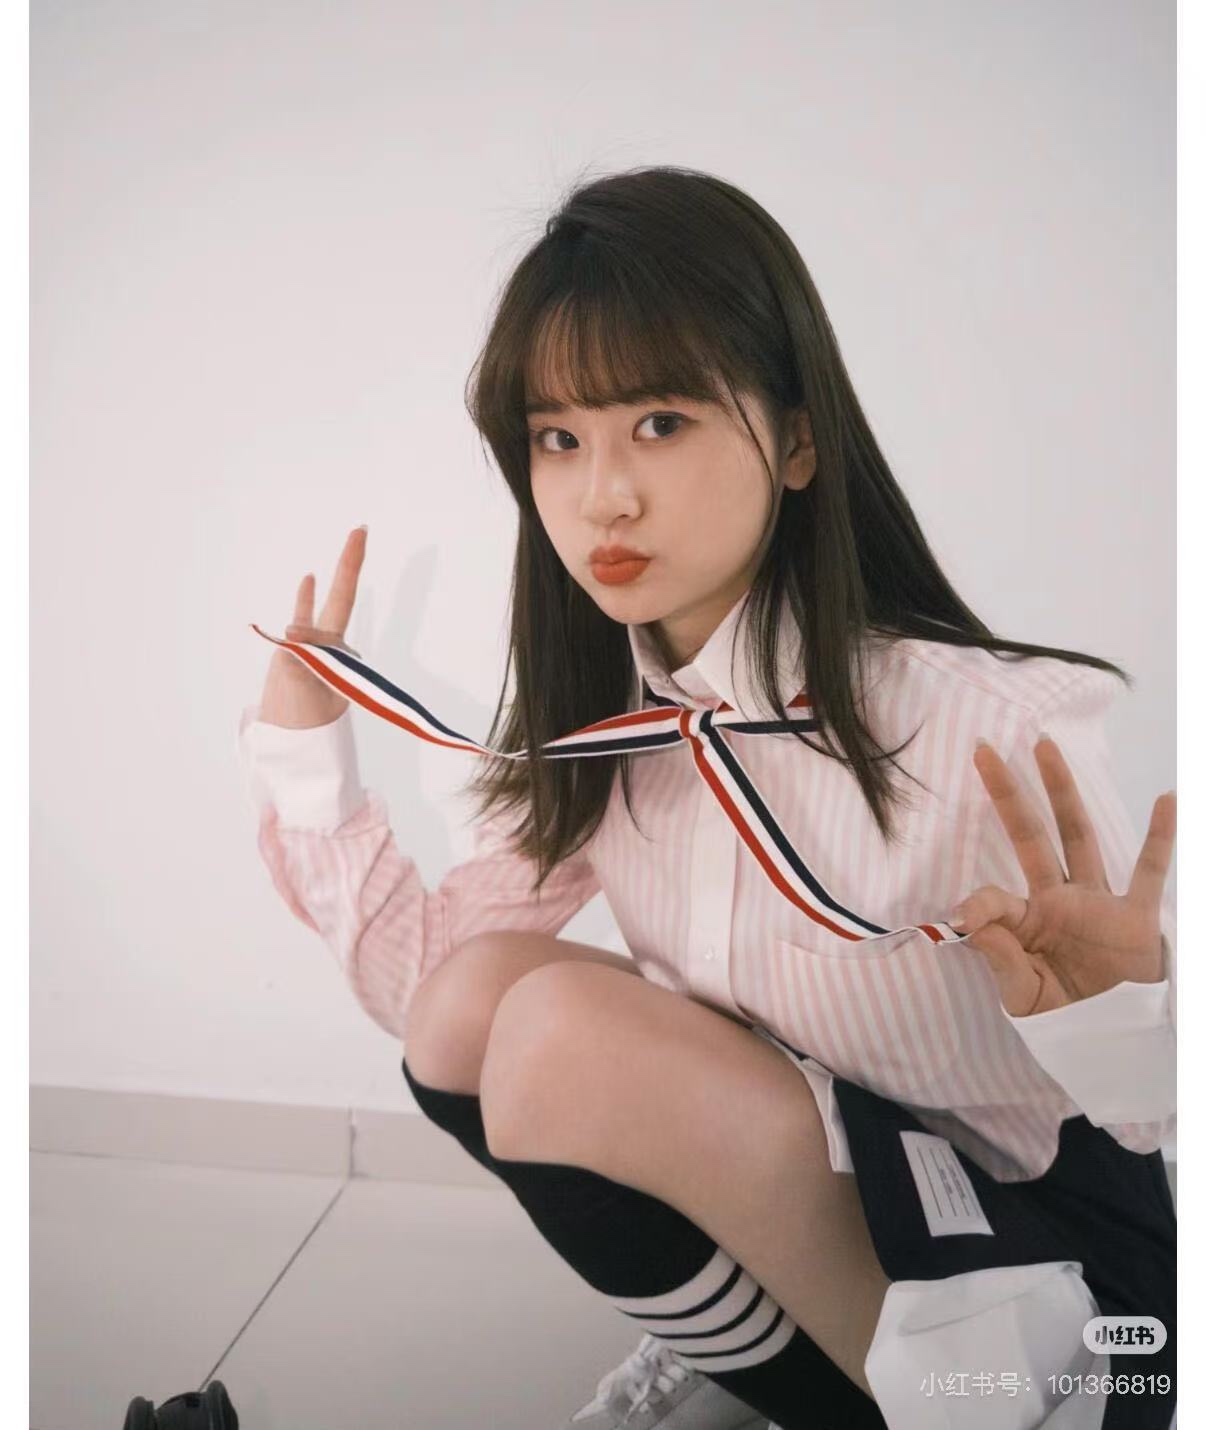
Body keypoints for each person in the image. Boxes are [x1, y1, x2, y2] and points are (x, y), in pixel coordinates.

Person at [237, 165, 1177, 1430]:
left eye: (661, 422)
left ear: (796, 439)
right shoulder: (613, 726)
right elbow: (426, 997)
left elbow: (1156, 1116)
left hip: (1071, 1289)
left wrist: (1125, 1015)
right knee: (476, 1009)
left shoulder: (988, 728)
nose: (603, 495)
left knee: (560, 1028)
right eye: (558, 438)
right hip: (849, 1199)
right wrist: (307, 756)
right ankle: (793, 1379)